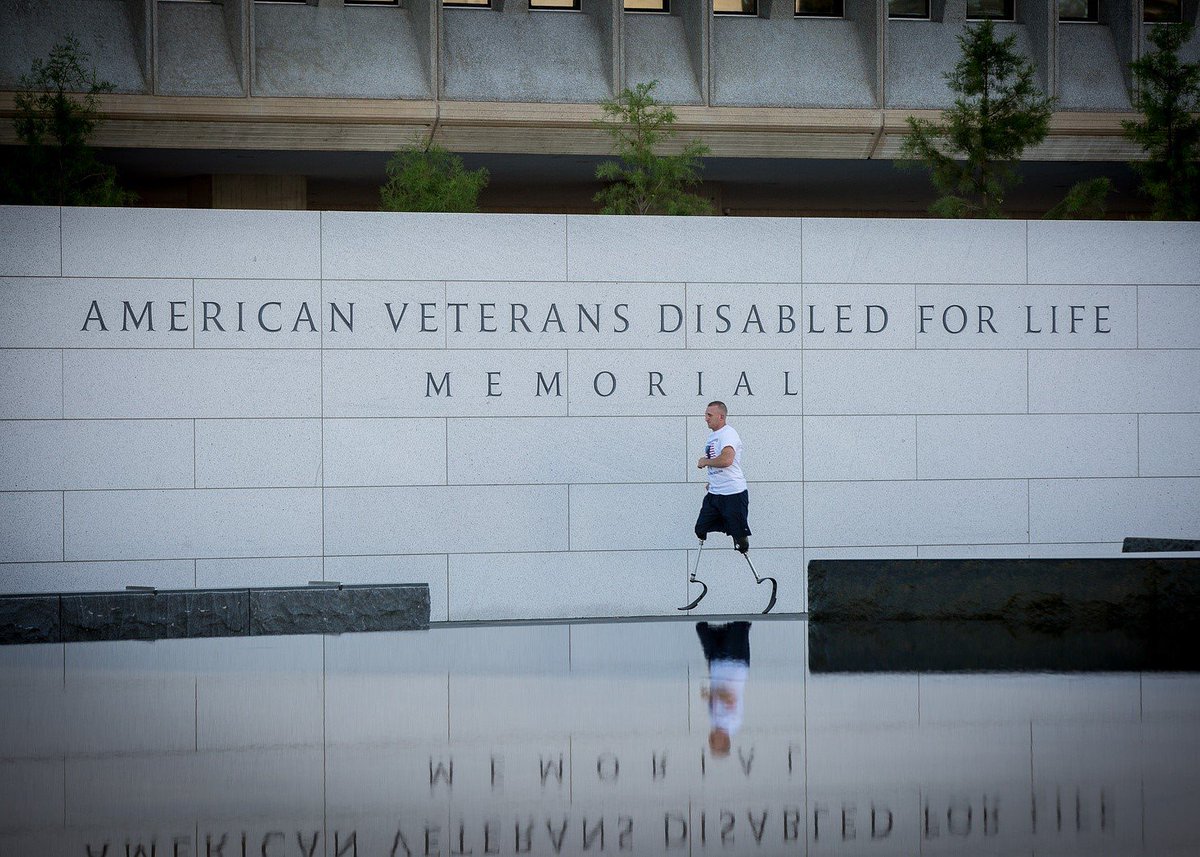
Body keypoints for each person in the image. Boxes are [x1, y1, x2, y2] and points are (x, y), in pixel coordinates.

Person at [694, 400, 750, 554]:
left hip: (732, 493)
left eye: (709, 415)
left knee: (740, 540)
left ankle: (739, 536)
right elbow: (718, 462)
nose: (706, 418)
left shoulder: (728, 434)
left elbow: (726, 460)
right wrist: (712, 480)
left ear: (721, 417)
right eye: (706, 415)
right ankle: (731, 526)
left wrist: (705, 461)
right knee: (700, 528)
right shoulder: (713, 436)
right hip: (715, 493)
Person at [696, 620, 751, 757]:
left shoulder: (714, 721)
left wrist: (709, 694)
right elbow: (729, 697)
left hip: (717, 664)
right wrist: (711, 695)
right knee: (738, 623)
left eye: (711, 743)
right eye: (714, 743)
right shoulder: (732, 723)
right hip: (734, 662)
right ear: (724, 741)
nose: (710, 740)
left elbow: (715, 697)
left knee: (701, 627)